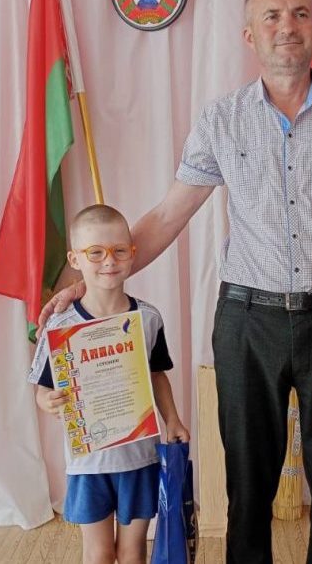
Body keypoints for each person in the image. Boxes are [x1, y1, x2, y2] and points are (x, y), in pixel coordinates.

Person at [41, 0, 312, 564]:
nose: (286, 26)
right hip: (247, 322)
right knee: (247, 488)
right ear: (249, 34)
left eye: (300, 13)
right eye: (271, 16)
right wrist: (88, 280)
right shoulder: (221, 119)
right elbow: (167, 216)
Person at [29, 204, 189, 564]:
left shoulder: (147, 318)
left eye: (119, 251)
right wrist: (47, 400)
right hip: (88, 463)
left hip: (140, 457)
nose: (109, 261)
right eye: (96, 253)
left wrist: (173, 419)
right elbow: (41, 388)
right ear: (75, 259)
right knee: (98, 553)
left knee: (132, 553)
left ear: (132, 253)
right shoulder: (59, 327)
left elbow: (156, 374)